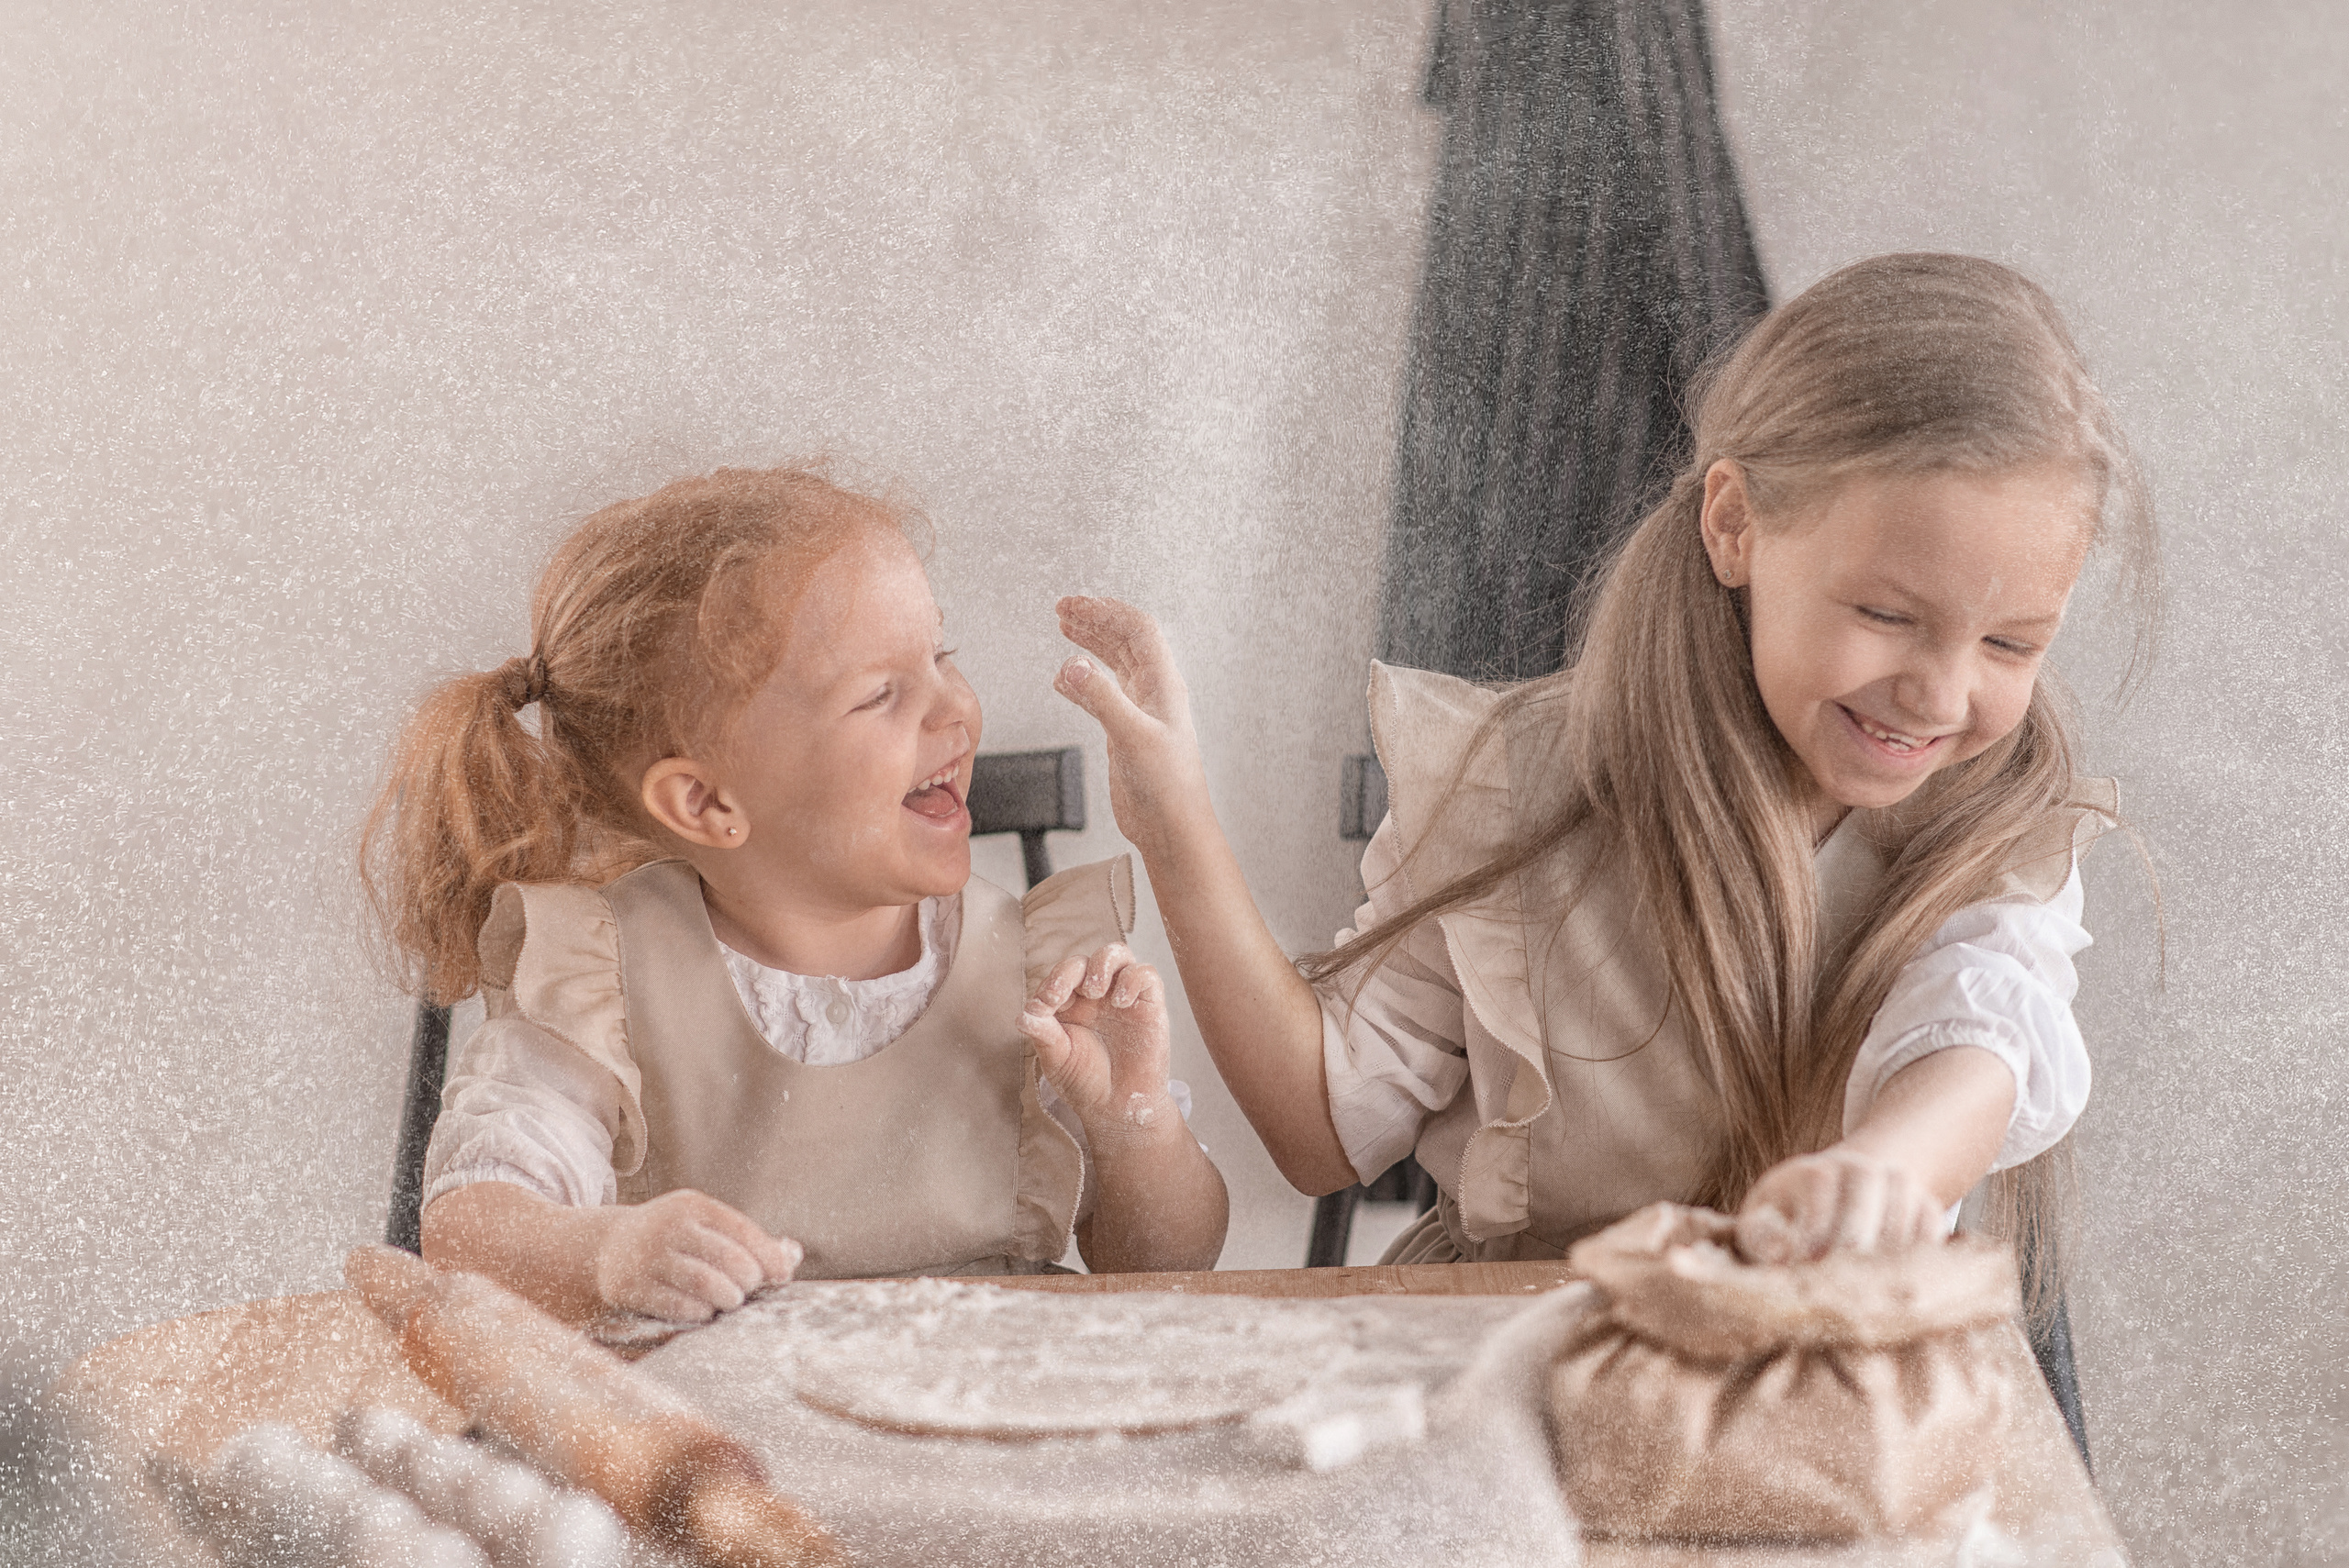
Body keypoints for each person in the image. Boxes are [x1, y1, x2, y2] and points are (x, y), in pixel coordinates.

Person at [1050, 254, 2152, 1314]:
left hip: (1816, 1367)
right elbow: (1320, 1130)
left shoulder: (2001, 826)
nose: (1940, 693)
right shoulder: (1512, 785)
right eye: (1886, 616)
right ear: (1734, 525)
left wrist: (1883, 1174)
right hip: (1521, 1351)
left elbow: (1979, 1041)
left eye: (2011, 644)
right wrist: (1176, 823)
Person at [362, 467, 1227, 1326]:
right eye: (882, 693)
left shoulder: (1037, 969)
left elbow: (1169, 1263)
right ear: (706, 802)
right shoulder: (608, 979)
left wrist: (1133, 1123)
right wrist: (605, 1252)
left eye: (940, 655)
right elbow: (469, 1232)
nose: (954, 707)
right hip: (735, 1443)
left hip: (993, 1431)